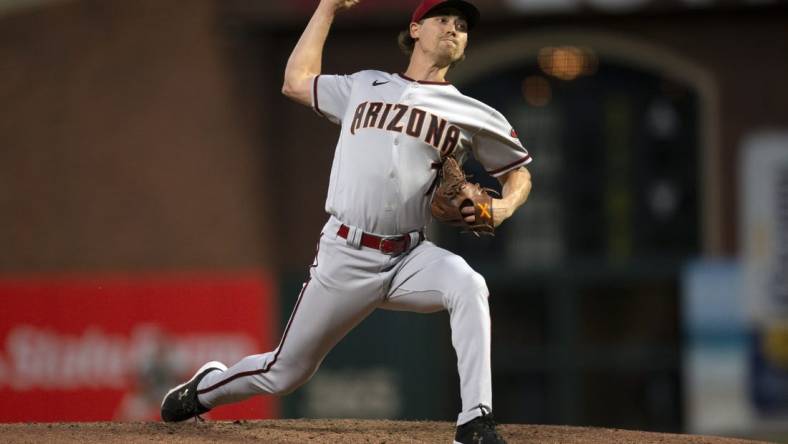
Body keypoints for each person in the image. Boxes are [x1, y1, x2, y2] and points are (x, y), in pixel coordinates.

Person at [160, 0, 533, 442]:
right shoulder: (364, 85)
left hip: (409, 257)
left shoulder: (472, 113)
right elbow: (295, 82)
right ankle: (205, 389)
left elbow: (519, 172)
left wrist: (504, 208)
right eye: (443, 20)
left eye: (462, 26)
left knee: (469, 286)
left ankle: (475, 420)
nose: (454, 28)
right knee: (284, 373)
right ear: (415, 29)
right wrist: (327, 9)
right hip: (345, 254)